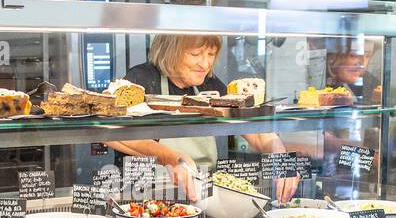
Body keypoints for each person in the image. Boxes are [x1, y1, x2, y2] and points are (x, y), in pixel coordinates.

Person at [108, 35, 297, 201]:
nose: (205, 64)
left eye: (211, 55)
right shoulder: (140, 79)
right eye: (196, 54)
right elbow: (113, 134)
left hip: (203, 199)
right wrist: (170, 158)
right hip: (147, 198)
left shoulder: (211, 86)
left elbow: (256, 133)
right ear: (171, 52)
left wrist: (280, 159)